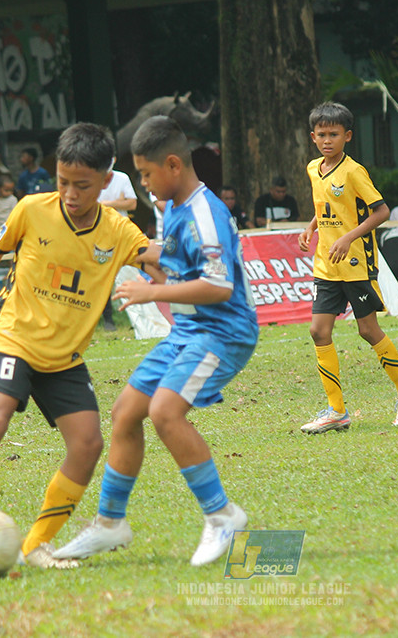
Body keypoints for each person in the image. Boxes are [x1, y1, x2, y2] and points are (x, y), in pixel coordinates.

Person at [0, 122, 159, 576]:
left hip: (64, 357)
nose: (69, 194)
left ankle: (35, 546)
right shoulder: (31, 210)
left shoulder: (119, 232)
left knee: (87, 443)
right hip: (15, 339)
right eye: (62, 182)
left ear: (106, 182)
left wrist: (189, 285)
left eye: (82, 186)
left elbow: (160, 263)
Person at [53, 115, 258, 566]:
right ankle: (110, 524)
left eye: (145, 174)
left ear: (172, 165)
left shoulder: (206, 212)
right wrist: (150, 263)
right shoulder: (174, 208)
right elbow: (179, 264)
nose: (143, 184)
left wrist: (153, 291)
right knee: (126, 411)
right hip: (189, 332)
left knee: (165, 411)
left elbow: (219, 288)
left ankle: (223, 516)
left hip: (223, 333)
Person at [296, 101, 398, 432]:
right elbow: (326, 206)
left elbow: (381, 211)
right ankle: (336, 411)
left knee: (368, 330)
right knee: (317, 331)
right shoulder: (314, 169)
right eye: (321, 135)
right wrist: (312, 227)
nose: (327, 140)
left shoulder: (354, 172)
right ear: (313, 137)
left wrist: (348, 238)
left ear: (347, 136)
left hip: (354, 264)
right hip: (326, 265)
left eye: (334, 134)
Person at [96, 169, 140, 331]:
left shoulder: (122, 177)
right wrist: (118, 202)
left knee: (129, 274)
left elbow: (132, 203)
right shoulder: (92, 176)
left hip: (122, 234)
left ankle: (136, 318)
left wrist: (106, 204)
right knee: (103, 276)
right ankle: (108, 319)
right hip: (99, 233)